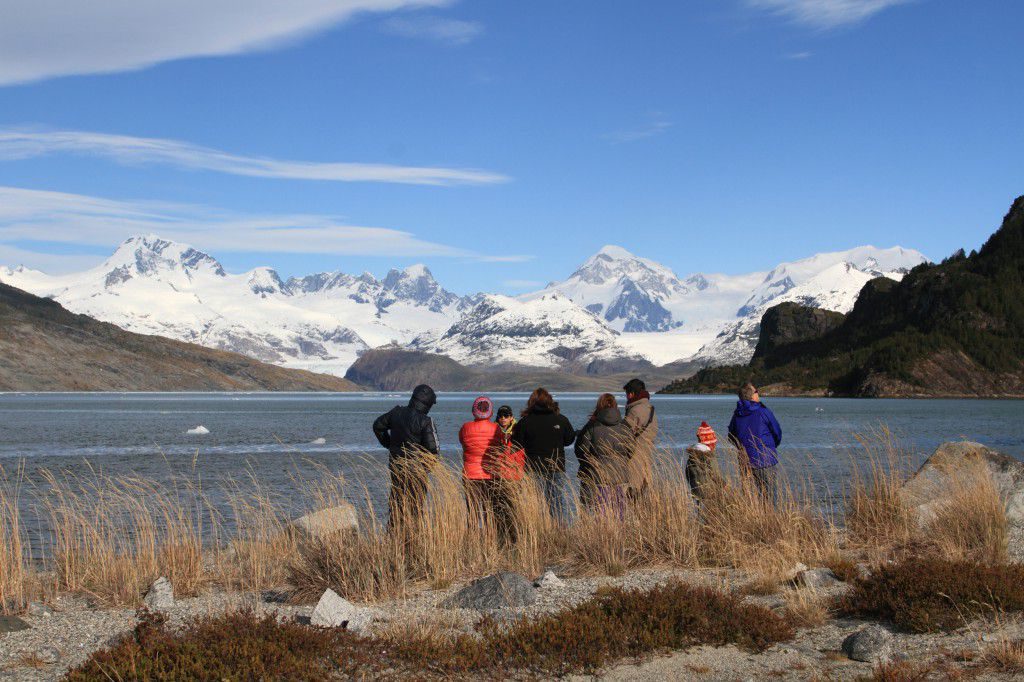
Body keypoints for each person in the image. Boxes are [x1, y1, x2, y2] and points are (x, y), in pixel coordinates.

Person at [372, 384, 440, 531]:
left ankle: (393, 536)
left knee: (396, 501)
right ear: (427, 403)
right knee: (415, 506)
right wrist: (426, 468)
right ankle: (412, 537)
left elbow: (377, 426)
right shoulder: (426, 421)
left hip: (396, 466)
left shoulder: (396, 412)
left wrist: (388, 444)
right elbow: (433, 449)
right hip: (417, 471)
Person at [511, 387, 576, 522]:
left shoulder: (525, 422)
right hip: (556, 467)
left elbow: (516, 444)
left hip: (533, 468)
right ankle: (558, 532)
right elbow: (569, 439)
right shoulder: (561, 419)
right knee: (557, 502)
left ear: (531, 402)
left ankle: (540, 532)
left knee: (537, 503)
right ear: (550, 401)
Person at [575, 393, 635, 519]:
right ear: (615, 406)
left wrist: (589, 465)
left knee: (601, 516)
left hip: (598, 477)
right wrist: (622, 462)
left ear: (599, 406)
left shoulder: (592, 426)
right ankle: (619, 538)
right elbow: (631, 449)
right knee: (619, 515)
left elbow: (581, 450)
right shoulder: (625, 427)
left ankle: (602, 538)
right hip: (620, 476)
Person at [728, 383, 782, 504]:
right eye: (757, 391)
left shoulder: (737, 414)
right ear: (752, 395)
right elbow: (777, 432)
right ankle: (769, 521)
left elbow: (731, 436)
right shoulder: (763, 412)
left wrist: (742, 448)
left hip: (745, 460)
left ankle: (754, 521)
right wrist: (771, 447)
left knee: (750, 499)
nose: (759, 393)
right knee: (769, 498)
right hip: (765, 459)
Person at [458, 396, 503, 527]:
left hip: (470, 474)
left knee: (472, 509)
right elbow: (500, 447)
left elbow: (462, 442)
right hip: (490, 474)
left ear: (474, 410)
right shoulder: (496, 428)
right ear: (490, 411)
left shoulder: (466, 427)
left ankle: (472, 537)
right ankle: (490, 537)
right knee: (489, 509)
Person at [491, 404, 526, 543]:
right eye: (500, 416)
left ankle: (515, 537)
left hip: (514, 475)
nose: (503, 418)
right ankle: (500, 537)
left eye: (506, 415)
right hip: (498, 474)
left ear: (511, 417)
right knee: (498, 508)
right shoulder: (494, 430)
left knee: (513, 507)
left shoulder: (519, 430)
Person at [622, 378, 658, 500]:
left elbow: (623, 433)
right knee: (641, 495)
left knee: (631, 494)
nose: (626, 397)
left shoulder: (634, 411)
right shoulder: (650, 409)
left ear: (631, 393)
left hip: (634, 458)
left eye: (626, 394)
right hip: (646, 457)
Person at [686, 421, 722, 506]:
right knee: (710, 512)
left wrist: (693, 484)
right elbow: (715, 474)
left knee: (699, 510)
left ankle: (698, 518)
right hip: (710, 491)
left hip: (696, 490)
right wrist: (723, 485)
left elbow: (687, 474)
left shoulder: (692, 456)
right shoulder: (709, 456)